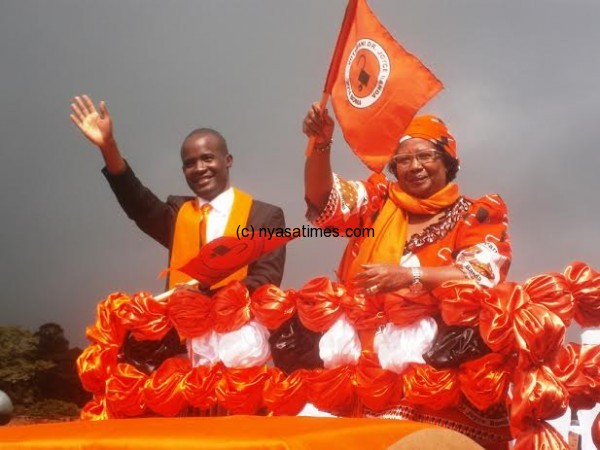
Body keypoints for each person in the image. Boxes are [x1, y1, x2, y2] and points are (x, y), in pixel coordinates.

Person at [302, 103, 512, 449]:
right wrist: (321, 144)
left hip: (441, 378)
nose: (414, 166)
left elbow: (480, 273)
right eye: (403, 159)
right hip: (367, 374)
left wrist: (409, 276)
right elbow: (322, 199)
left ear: (447, 160)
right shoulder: (376, 204)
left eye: (426, 156)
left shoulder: (477, 214)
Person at [70, 95, 286, 293]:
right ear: (184, 171)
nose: (200, 168)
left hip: (242, 332)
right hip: (185, 333)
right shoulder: (178, 215)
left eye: (208, 158)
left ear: (227, 161)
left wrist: (204, 295)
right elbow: (137, 203)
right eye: (190, 163)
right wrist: (108, 147)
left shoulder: (265, 217)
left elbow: (267, 280)